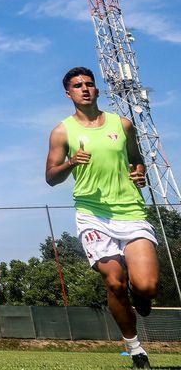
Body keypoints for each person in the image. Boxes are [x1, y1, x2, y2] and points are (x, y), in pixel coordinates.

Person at [46, 67, 158, 369]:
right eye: (77, 85)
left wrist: (140, 173)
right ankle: (136, 350)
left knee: (146, 287)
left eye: (89, 84)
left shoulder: (122, 124)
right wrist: (71, 162)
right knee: (115, 282)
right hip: (92, 215)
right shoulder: (62, 131)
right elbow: (51, 177)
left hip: (130, 212)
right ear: (68, 93)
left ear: (97, 90)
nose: (85, 89)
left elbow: (137, 160)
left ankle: (142, 296)